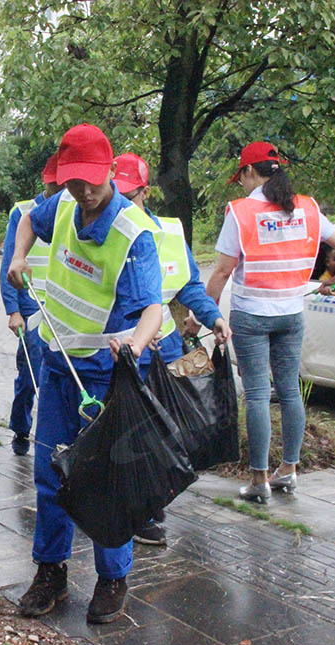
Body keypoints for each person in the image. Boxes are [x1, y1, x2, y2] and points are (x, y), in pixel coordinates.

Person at [6, 124, 164, 625]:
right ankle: (50, 572)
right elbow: (31, 218)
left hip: (103, 380)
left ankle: (112, 578)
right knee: (50, 475)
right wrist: (18, 256)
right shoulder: (66, 206)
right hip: (57, 370)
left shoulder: (133, 234)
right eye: (74, 182)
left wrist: (134, 346)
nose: (83, 191)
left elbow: (152, 310)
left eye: (91, 182)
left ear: (111, 171)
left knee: (107, 483)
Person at [205, 142, 335, 503]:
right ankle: (288, 470)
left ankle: (259, 481)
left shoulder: (240, 212)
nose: (240, 184)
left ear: (248, 172)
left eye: (240, 177)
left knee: (257, 394)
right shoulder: (307, 207)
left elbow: (223, 271)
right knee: (289, 391)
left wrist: (204, 314)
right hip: (291, 314)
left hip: (252, 315)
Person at [112, 152, 229, 545]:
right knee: (129, 437)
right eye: (116, 192)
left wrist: (212, 316)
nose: (122, 201)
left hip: (164, 354)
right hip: (121, 354)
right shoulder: (106, 232)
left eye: (129, 194)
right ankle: (137, 511)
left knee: (160, 432)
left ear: (144, 192)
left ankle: (148, 500)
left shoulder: (171, 234)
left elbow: (190, 286)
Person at [0, 153, 61, 455]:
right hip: (31, 312)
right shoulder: (23, 212)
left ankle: (54, 438)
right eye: (53, 186)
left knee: (58, 380)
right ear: (43, 181)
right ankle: (21, 429)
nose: (58, 192)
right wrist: (13, 311)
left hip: (64, 314)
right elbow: (9, 264)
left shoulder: (74, 210)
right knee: (30, 377)